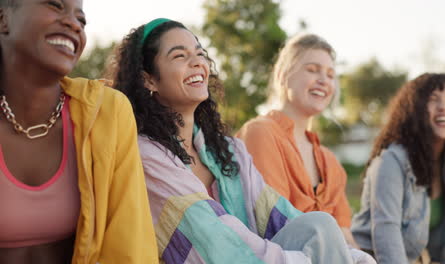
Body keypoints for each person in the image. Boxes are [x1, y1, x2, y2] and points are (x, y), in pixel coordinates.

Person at [108, 18, 376, 264]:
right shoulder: (145, 154)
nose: (197, 62)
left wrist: (354, 258)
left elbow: (280, 217)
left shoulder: (229, 151)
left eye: (200, 53)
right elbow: (216, 244)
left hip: (264, 257)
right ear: (148, 80)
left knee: (319, 225)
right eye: (180, 55)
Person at [0, 0, 158, 263]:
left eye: (81, 19)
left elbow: (131, 247)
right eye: (54, 5)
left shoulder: (107, 113)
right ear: (3, 19)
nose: (74, 23)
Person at [236, 33, 358, 248]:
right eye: (312, 70)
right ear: (283, 76)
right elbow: (274, 225)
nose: (323, 80)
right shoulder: (260, 133)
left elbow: (346, 237)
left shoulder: (331, 162)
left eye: (330, 75)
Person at [351, 73, 445, 264]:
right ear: (415, 109)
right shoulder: (392, 160)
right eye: (433, 99)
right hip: (367, 259)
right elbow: (387, 234)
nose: (444, 107)